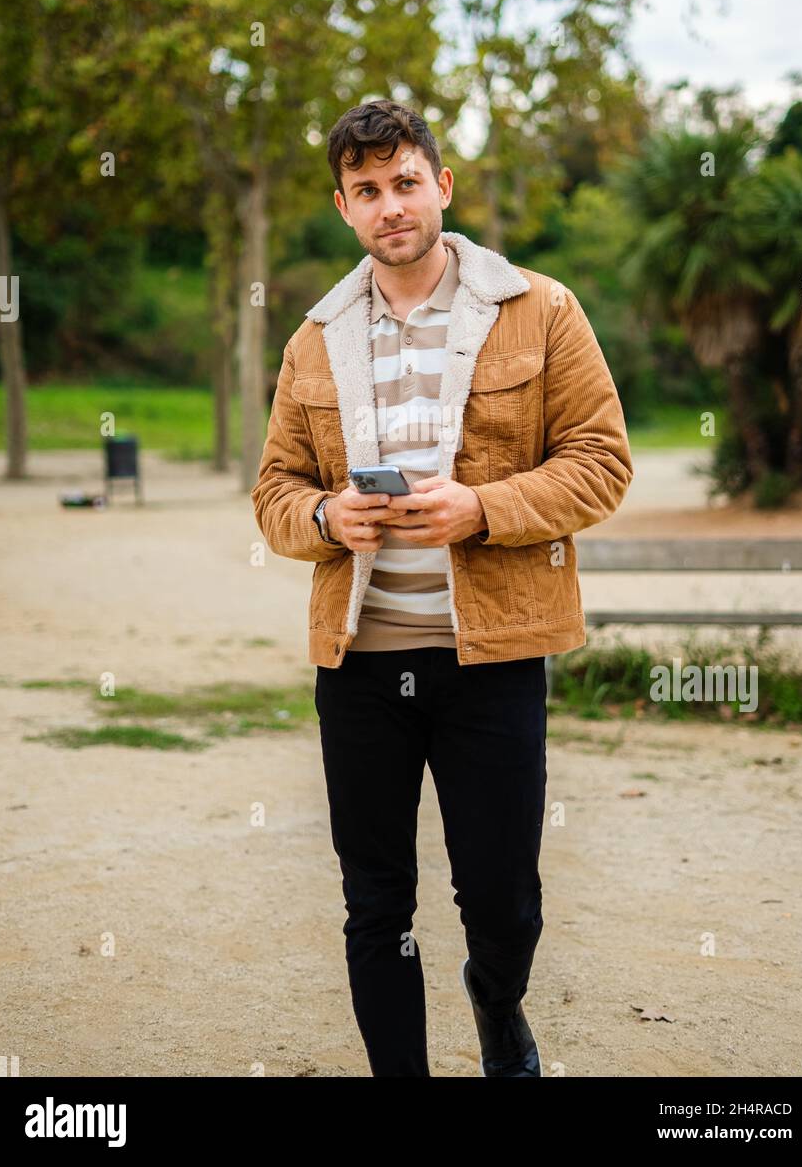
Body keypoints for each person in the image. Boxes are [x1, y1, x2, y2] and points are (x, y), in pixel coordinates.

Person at [251, 98, 633, 1077]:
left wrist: (485, 507)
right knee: (376, 899)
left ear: (442, 185)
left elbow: (602, 461)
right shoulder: (312, 340)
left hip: (495, 655)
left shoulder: (540, 308)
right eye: (366, 190)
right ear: (344, 207)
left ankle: (497, 998)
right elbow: (275, 493)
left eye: (404, 182)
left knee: (501, 893)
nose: (390, 205)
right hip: (363, 660)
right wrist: (330, 518)